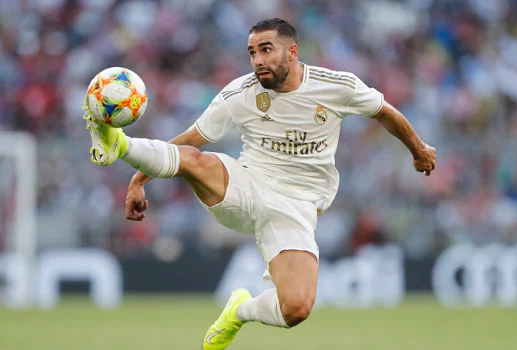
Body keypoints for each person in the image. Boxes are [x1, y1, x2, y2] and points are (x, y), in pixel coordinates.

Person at [83, 18, 436, 350]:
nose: (257, 60)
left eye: (266, 49)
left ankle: (239, 311)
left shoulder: (336, 86)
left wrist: (418, 150)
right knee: (193, 160)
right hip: (246, 184)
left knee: (296, 308)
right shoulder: (240, 93)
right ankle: (120, 144)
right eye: (252, 52)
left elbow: (386, 113)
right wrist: (138, 177)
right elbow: (191, 138)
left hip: (296, 206)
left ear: (292, 52)